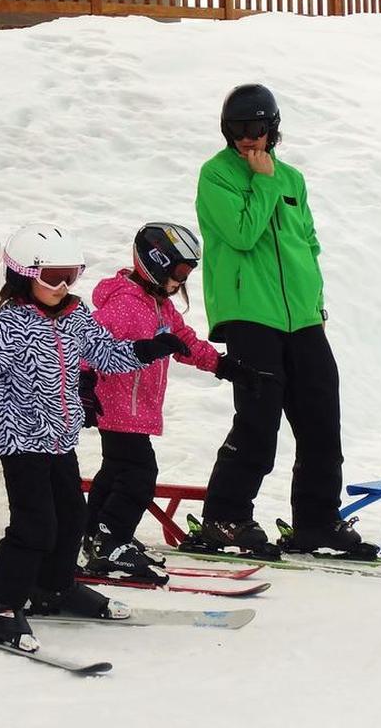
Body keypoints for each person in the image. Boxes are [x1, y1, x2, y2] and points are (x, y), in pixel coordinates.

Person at [0, 223, 190, 653]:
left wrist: (152, 347)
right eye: (51, 277)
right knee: (34, 526)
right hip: (22, 442)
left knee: (72, 519)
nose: (62, 286)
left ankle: (53, 589)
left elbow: (107, 355)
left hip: (62, 440)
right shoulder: (11, 325)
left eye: (70, 275)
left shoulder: (75, 317)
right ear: (23, 276)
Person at [193, 84, 365, 556]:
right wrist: (262, 180)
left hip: (304, 319)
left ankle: (317, 520)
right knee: (258, 421)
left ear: (273, 128)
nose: (248, 140)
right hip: (250, 315)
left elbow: (308, 244)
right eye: (238, 131)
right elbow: (243, 235)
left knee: (321, 421)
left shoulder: (294, 179)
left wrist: (317, 306)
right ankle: (225, 517)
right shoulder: (216, 176)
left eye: (257, 130)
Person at [80, 222, 268, 579]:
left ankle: (96, 536)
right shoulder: (125, 305)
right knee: (139, 475)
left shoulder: (159, 307)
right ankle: (110, 541)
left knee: (116, 473)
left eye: (189, 272)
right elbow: (88, 342)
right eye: (180, 270)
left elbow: (184, 341)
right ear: (156, 261)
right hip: (118, 406)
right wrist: (84, 383)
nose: (183, 280)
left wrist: (224, 366)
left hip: (134, 409)